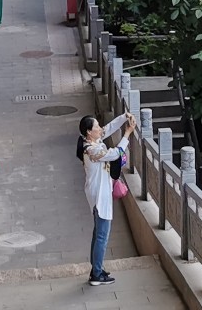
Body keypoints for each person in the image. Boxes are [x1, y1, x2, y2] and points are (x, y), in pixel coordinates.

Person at [78, 110, 136, 287]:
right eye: (96, 126)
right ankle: (96, 274)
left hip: (99, 192)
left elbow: (109, 128)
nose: (100, 128)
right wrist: (127, 133)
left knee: (98, 234)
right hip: (99, 195)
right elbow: (115, 153)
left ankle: (97, 268)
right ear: (89, 131)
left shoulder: (95, 141)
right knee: (102, 235)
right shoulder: (92, 150)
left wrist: (124, 117)